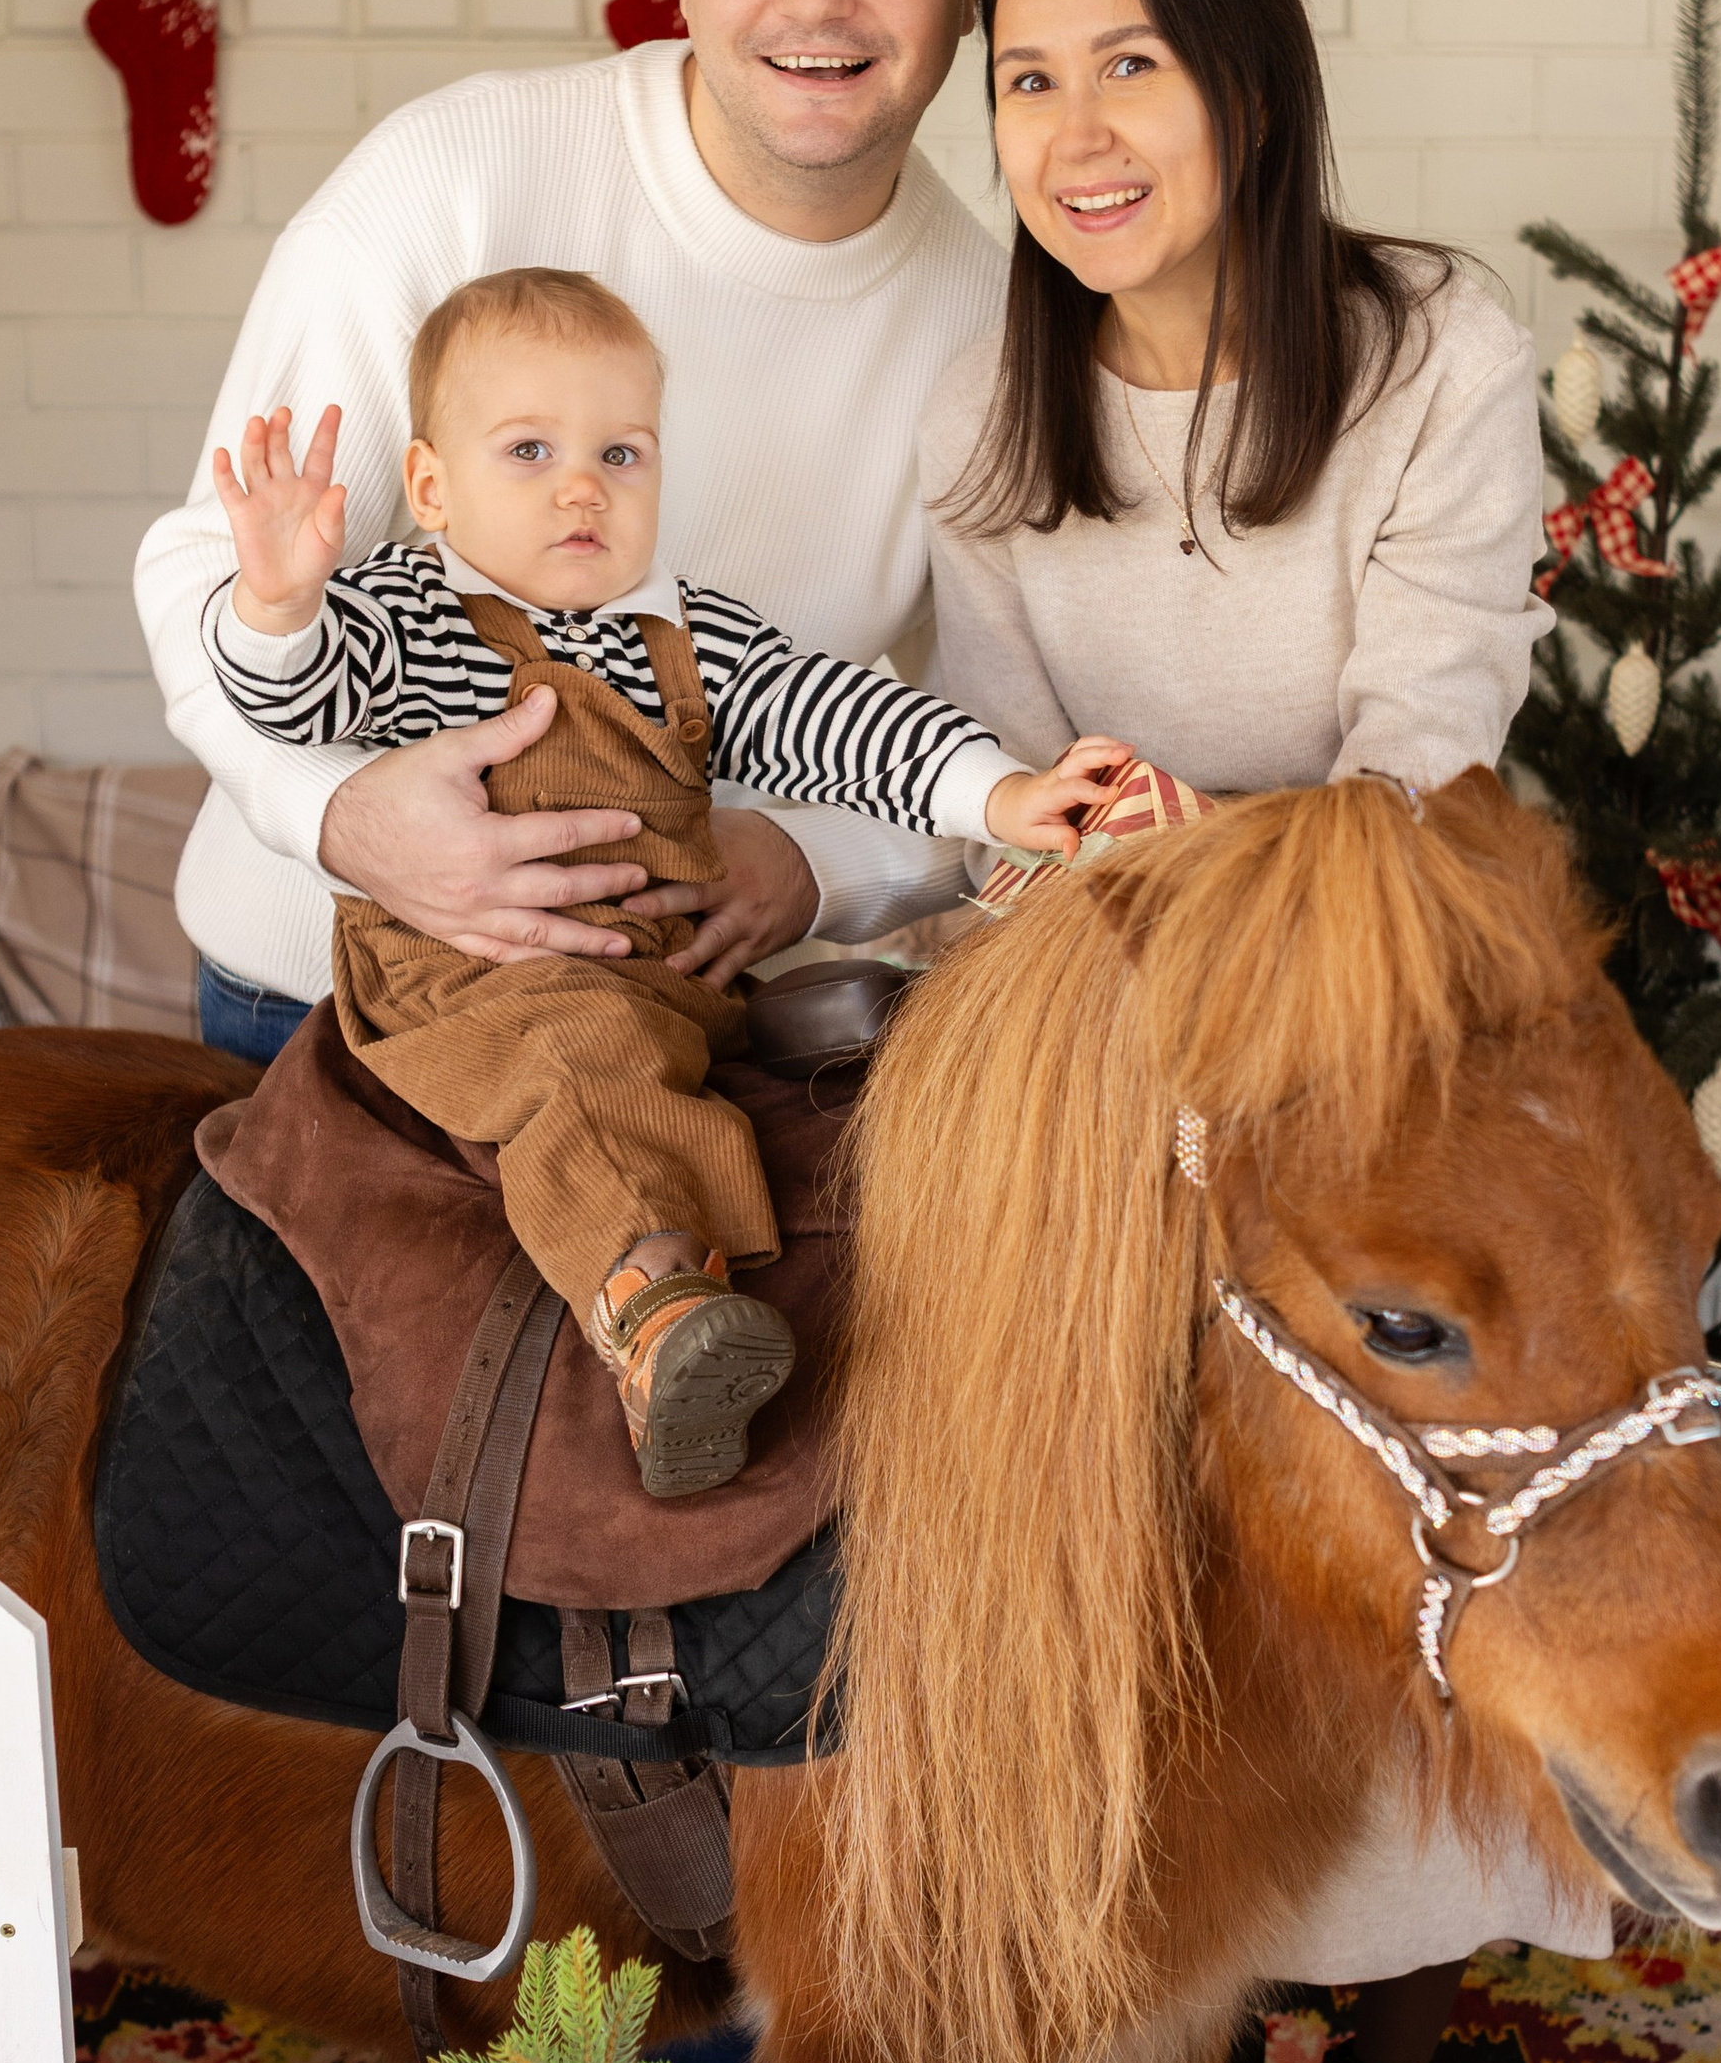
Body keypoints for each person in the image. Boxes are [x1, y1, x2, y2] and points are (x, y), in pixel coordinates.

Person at [917, 0, 1597, 2063]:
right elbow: (998, 784)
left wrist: (1210, 866)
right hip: (1121, 1022)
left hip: (1390, 999)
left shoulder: (1429, 347)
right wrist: (1058, 846)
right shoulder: (997, 413)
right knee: (1139, 1543)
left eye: (1132, 64)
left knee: (1429, 1508)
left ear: (1248, 86)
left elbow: (1428, 754)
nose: (1076, 130)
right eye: (1028, 78)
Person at [135, 0, 1009, 1063]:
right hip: (308, 994)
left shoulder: (998, 333)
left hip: (672, 1021)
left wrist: (813, 863)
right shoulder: (452, 174)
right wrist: (340, 817)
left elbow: (997, 750)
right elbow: (211, 568)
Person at [202, 265, 1122, 1491]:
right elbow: (298, 701)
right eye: (528, 450)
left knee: (834, 1052)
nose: (582, 485)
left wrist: (1001, 795)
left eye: (621, 454)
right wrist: (277, 604)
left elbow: (843, 720)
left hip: (664, 975)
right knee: (580, 1058)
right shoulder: (411, 617)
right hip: (475, 982)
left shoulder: (690, 635)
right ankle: (652, 1306)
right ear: (430, 487)